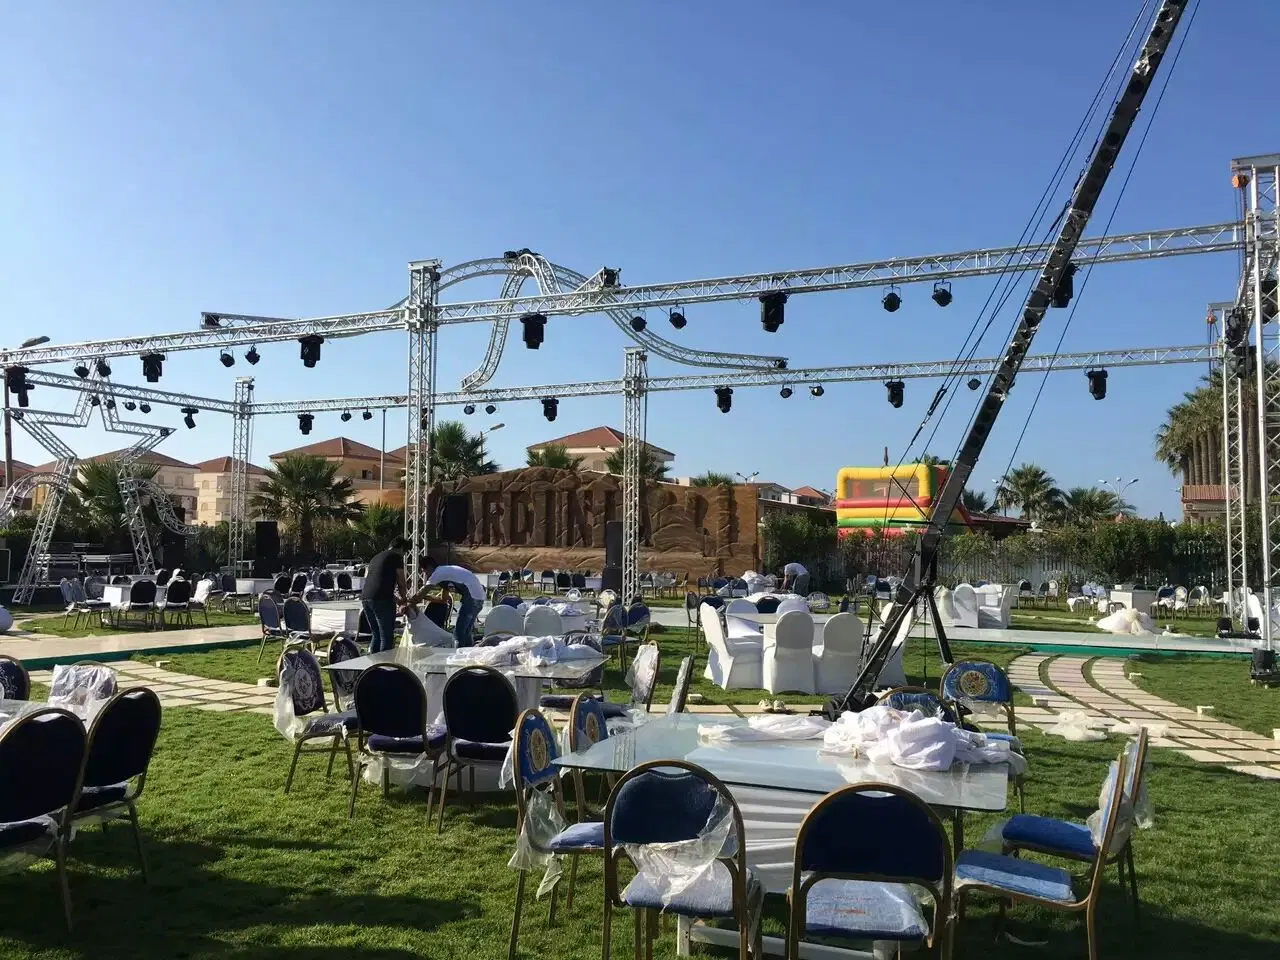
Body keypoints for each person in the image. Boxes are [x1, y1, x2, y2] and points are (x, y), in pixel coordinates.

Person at [408, 557, 485, 648]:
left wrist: (409, 603)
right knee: (466, 631)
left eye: (424, 571)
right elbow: (443, 599)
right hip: (479, 597)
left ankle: (458, 656)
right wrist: (424, 597)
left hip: (472, 596)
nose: (426, 575)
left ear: (428, 567)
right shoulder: (445, 574)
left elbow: (423, 591)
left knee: (459, 632)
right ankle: (468, 652)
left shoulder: (437, 573)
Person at [360, 537, 411, 654]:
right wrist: (404, 601)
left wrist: (397, 600)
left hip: (366, 598)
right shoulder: (396, 557)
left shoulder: (376, 557)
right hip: (382, 600)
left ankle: (373, 665)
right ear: (402, 548)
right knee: (386, 635)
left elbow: (377, 583)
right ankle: (384, 666)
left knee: (376, 634)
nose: (404, 555)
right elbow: (401, 582)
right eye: (405, 552)